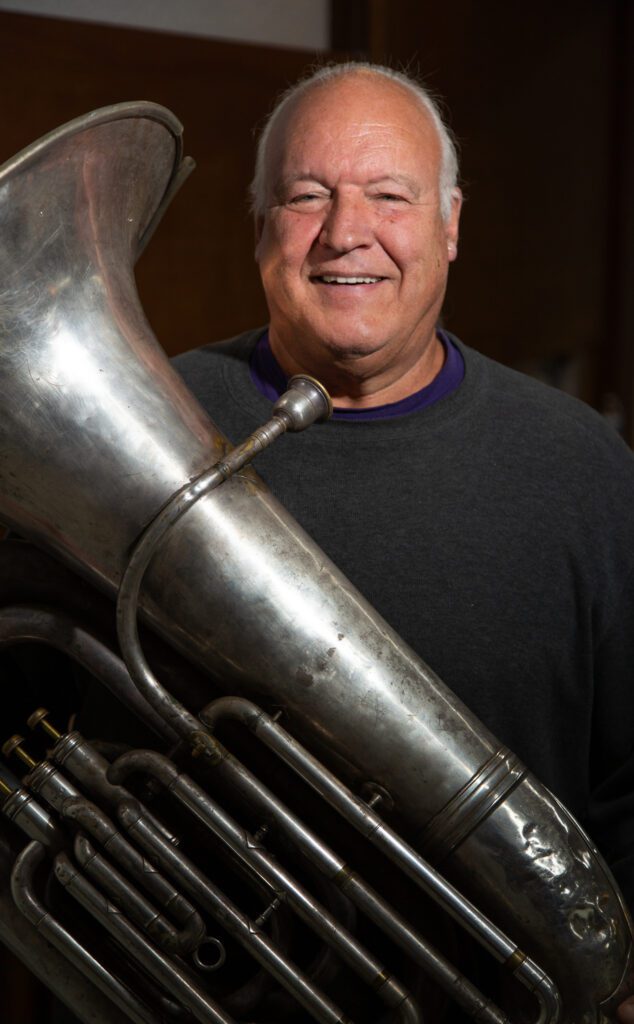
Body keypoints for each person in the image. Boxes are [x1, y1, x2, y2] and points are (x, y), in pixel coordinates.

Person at [174, 62, 634, 1020]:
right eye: (307, 197)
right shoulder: (152, 422)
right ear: (260, 223)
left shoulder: (585, 467)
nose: (348, 234)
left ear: (451, 224)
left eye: (390, 196)